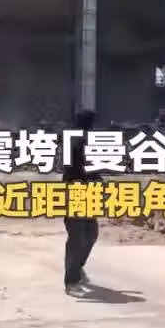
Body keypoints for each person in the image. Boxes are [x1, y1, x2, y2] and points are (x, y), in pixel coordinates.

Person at [63, 109, 100, 297]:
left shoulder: (85, 140)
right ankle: (71, 281)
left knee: (91, 233)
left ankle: (77, 267)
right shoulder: (74, 141)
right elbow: (74, 168)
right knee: (78, 236)